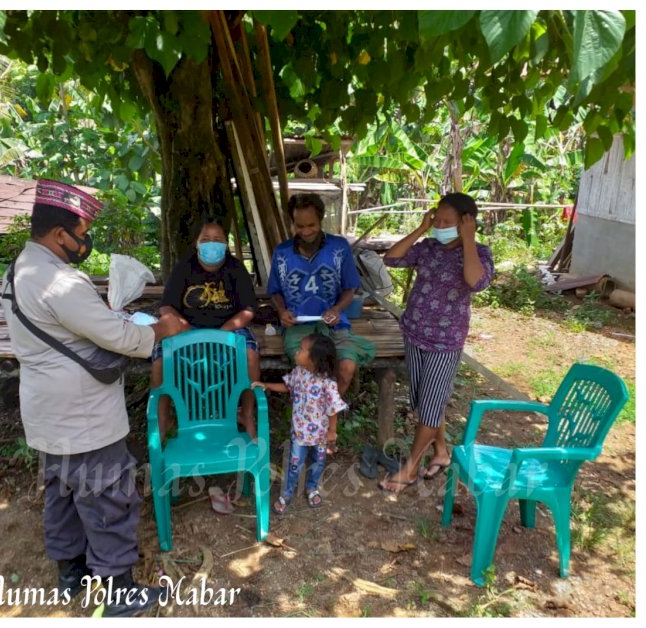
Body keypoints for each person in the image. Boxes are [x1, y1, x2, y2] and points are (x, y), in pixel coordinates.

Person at [0, 179, 187, 617]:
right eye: (81, 234)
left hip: (47, 409)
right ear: (59, 234)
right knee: (107, 495)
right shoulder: (56, 279)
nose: (84, 242)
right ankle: (120, 593)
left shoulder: (19, 269)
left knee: (62, 493)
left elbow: (72, 327)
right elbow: (118, 335)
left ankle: (71, 573)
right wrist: (161, 330)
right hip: (81, 413)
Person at [379, 192, 494, 494]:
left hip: (445, 342)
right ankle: (440, 452)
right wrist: (420, 229)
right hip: (414, 332)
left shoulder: (479, 253)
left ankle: (411, 469)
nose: (439, 225)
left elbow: (476, 282)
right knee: (425, 401)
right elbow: (391, 258)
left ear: (466, 224)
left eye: (447, 221)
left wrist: (468, 240)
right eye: (437, 218)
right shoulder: (428, 247)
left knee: (430, 406)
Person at [151, 216, 260, 440]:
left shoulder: (236, 269)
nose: (212, 243)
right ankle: (163, 419)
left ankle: (247, 414)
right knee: (161, 360)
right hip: (187, 329)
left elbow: (248, 310)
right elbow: (166, 308)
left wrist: (220, 334)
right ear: (197, 243)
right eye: (206, 239)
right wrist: (186, 329)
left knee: (250, 355)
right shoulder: (184, 267)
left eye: (218, 239)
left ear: (225, 244)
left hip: (228, 329)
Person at [267, 193, 376, 401]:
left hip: (334, 322)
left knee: (346, 366)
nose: (306, 231)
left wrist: (336, 309)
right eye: (299, 226)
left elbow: (350, 288)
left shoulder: (339, 247)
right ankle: (309, 416)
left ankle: (327, 417)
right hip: (297, 325)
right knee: (306, 367)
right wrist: (282, 311)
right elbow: (275, 291)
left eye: (311, 225)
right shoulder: (282, 253)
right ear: (292, 224)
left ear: (321, 220)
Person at [252, 333, 347, 513]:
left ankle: (312, 488)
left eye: (301, 350)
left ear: (315, 359)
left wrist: (332, 432)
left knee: (318, 463)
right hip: (299, 432)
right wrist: (267, 385)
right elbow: (288, 387)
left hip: (320, 435)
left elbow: (333, 409)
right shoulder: (299, 373)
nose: (296, 352)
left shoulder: (328, 384)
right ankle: (287, 493)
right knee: (294, 464)